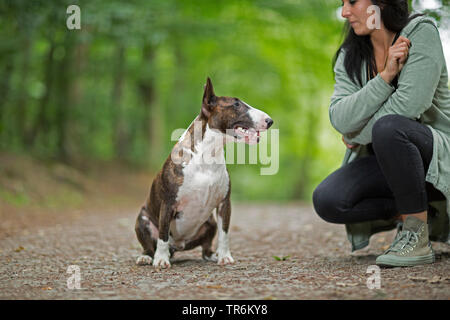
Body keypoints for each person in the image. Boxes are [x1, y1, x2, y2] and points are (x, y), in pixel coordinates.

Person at [313, 0, 450, 267]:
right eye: (342, 3)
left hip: (436, 153)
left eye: (352, 1)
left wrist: (355, 134)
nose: (344, 12)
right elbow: (340, 117)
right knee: (329, 200)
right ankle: (419, 209)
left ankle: (416, 234)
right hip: (390, 161)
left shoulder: (420, 32)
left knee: (389, 127)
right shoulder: (351, 55)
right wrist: (385, 77)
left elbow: (410, 106)